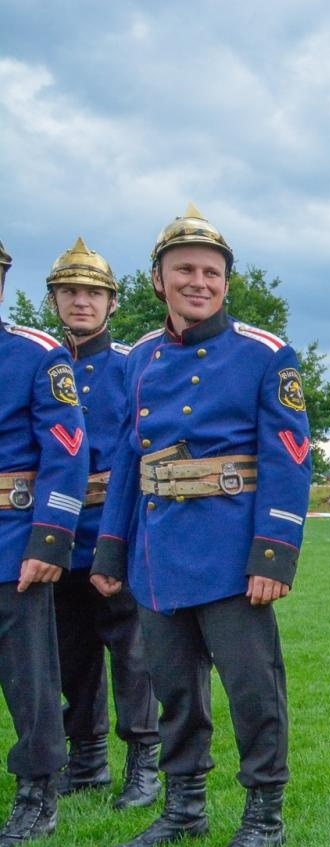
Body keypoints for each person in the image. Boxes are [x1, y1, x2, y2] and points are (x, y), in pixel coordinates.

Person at [92, 204, 314, 847]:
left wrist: (273, 554)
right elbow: (131, 458)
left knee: (252, 690)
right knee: (174, 690)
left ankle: (263, 819)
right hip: (158, 554)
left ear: (226, 282)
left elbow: (289, 455)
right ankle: (184, 808)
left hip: (231, 550)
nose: (198, 281)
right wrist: (110, 547)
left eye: (210, 272)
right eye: (183, 269)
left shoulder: (265, 354)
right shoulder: (142, 359)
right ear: (158, 279)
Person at [44, 238, 161, 809]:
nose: (82, 302)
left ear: (113, 303)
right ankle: (86, 759)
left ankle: (143, 763)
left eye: (93, 293)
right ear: (54, 301)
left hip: (118, 528)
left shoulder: (129, 365)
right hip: (58, 535)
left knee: (133, 653)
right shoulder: (44, 366)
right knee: (73, 650)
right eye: (70, 292)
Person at [0, 235, 89, 847]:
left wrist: (51, 542)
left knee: (28, 681)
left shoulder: (37, 354)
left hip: (11, 543)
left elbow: (68, 452)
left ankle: (38, 793)